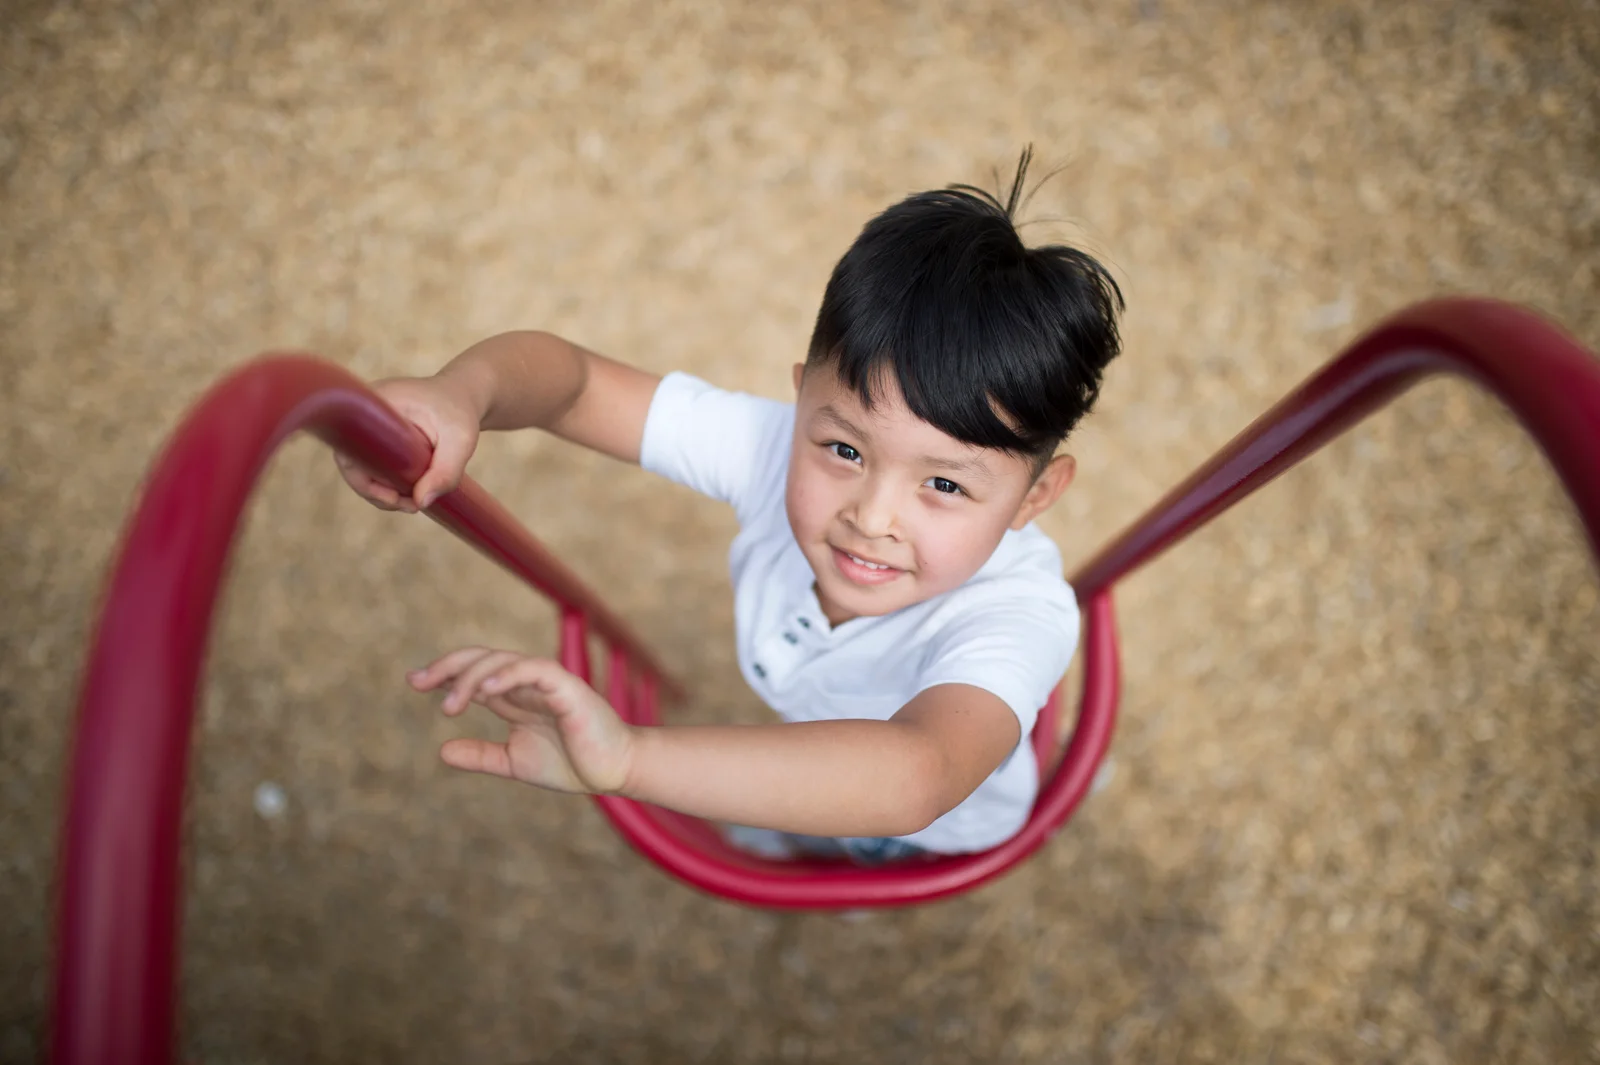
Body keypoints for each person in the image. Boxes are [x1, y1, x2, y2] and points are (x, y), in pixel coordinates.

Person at [336, 150, 1124, 864]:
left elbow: (919, 774)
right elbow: (574, 383)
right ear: (799, 398)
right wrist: (460, 392)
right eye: (844, 450)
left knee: (858, 838)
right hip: (816, 740)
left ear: (1037, 496)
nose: (872, 516)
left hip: (926, 822)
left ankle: (834, 841)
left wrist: (630, 759)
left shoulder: (1018, 612)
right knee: (796, 790)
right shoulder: (771, 446)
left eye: (944, 485)